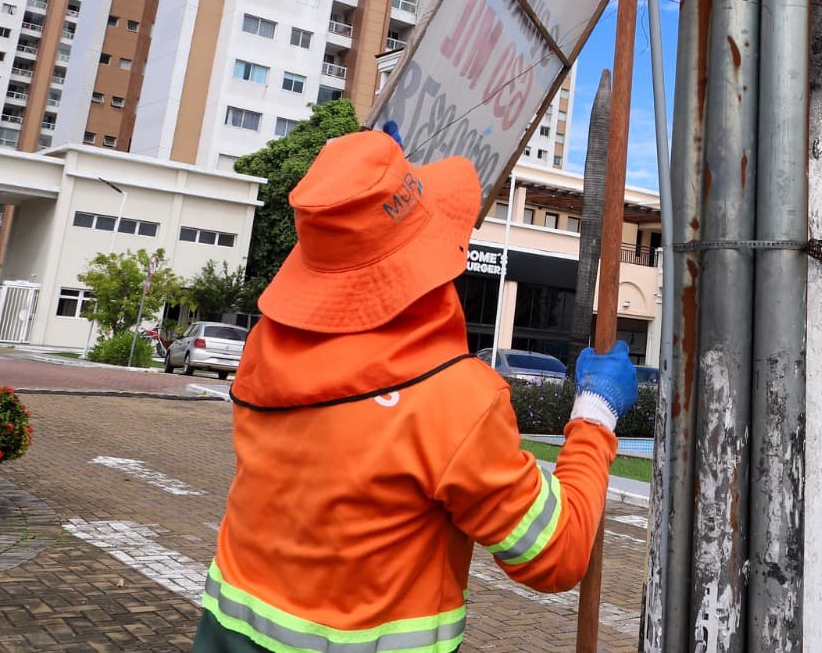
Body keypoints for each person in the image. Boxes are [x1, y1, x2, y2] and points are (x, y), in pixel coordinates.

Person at [193, 126, 638, 652]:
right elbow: (555, 555)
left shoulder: (263, 350)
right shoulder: (453, 402)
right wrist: (596, 412)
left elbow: (351, 314)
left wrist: (371, 198)